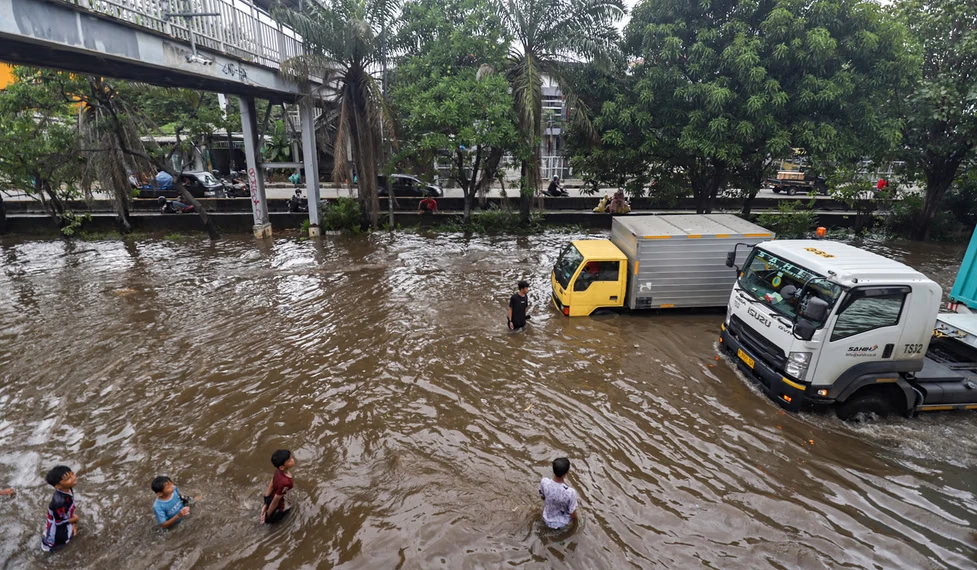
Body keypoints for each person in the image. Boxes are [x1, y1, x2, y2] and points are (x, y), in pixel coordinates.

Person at [41, 465, 79, 552]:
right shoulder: (60, 502)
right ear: (58, 486)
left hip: (60, 523)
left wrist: (72, 523)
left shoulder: (68, 489)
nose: (73, 478)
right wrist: (74, 519)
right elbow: (59, 522)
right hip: (57, 537)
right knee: (62, 549)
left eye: (72, 474)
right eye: (68, 479)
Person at [539, 457, 578, 530]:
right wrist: (576, 525)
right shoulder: (570, 492)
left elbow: (543, 497)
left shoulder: (544, 482)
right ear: (566, 474)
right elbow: (573, 514)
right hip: (562, 524)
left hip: (546, 518)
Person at [260, 449, 295, 524]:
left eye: (291, 457)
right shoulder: (286, 482)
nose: (292, 460)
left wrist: (266, 502)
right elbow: (276, 500)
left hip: (272, 498)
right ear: (282, 467)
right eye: (289, 460)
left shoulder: (278, 472)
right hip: (282, 508)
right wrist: (267, 515)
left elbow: (271, 484)